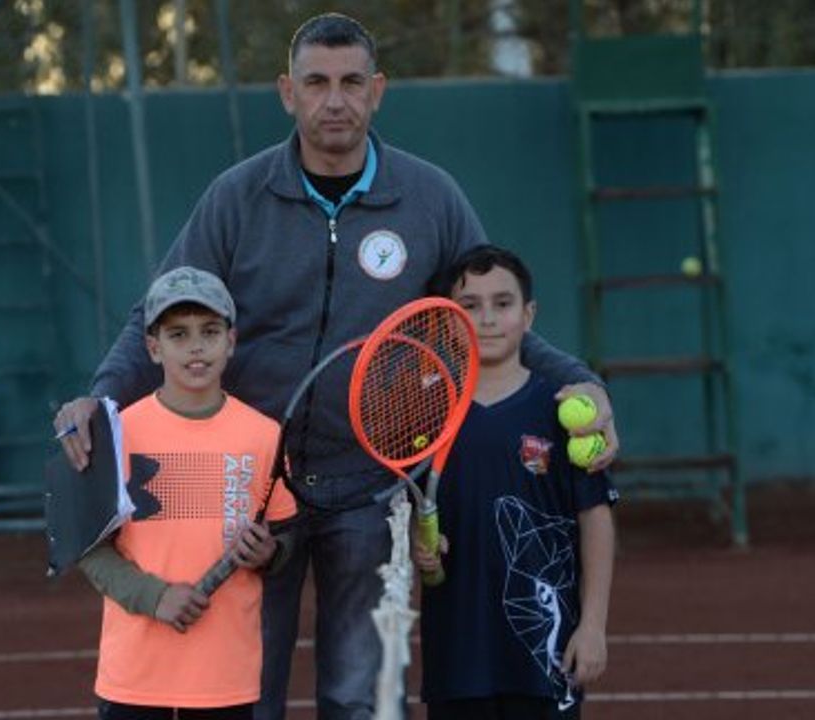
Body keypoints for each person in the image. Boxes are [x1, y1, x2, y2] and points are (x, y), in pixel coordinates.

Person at [53, 13, 620, 720]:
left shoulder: (430, 197)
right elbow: (156, 312)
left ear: (377, 90)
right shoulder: (237, 195)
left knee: (356, 697)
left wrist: (578, 379)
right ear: (287, 92)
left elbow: (480, 314)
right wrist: (100, 400)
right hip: (259, 491)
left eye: (352, 82)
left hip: (370, 485)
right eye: (317, 83)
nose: (335, 100)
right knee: (245, 692)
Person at [76, 266, 298, 720]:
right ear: (154, 348)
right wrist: (154, 597)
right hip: (137, 675)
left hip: (224, 676)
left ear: (230, 342)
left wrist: (270, 552)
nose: (196, 346)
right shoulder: (118, 435)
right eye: (178, 335)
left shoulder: (264, 436)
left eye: (210, 331)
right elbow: (91, 549)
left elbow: (287, 537)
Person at [413, 246, 618, 720]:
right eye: (470, 306)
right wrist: (418, 548)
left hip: (545, 653)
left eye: (502, 304)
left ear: (528, 316)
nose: (487, 319)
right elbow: (413, 519)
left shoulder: (561, 410)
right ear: (448, 322)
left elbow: (596, 519)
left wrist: (593, 626)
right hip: (457, 658)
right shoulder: (429, 413)